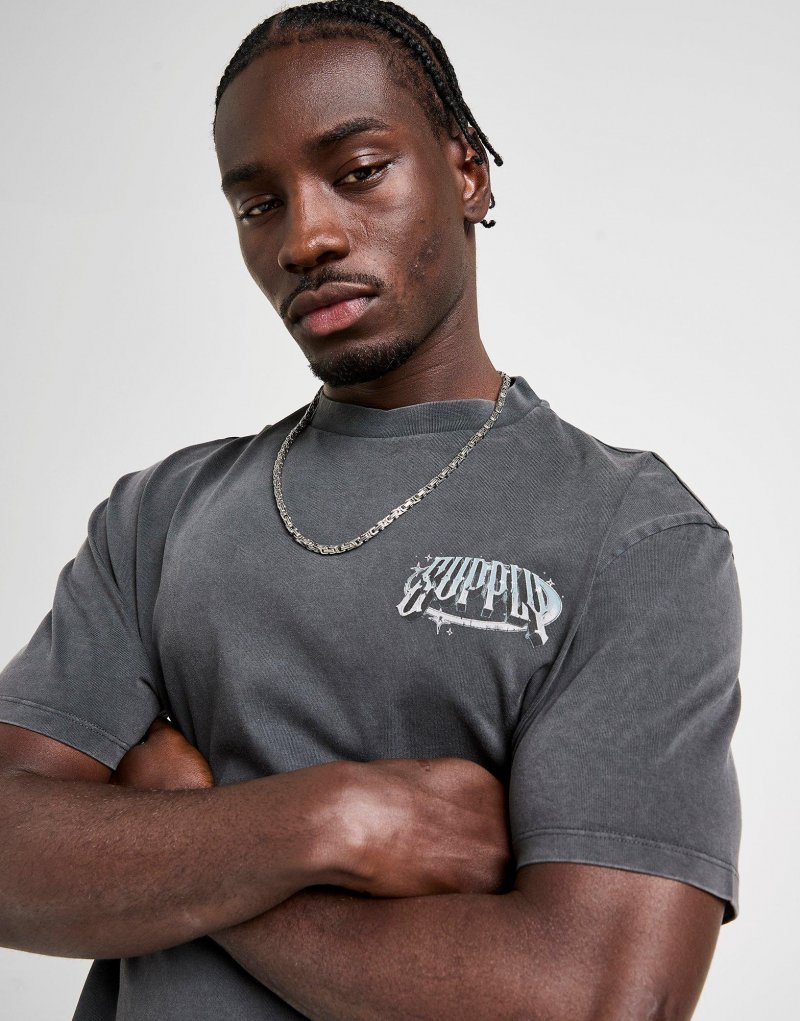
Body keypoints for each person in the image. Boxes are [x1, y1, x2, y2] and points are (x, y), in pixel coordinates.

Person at [0, 1, 742, 1018]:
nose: (304, 237)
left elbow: (599, 993)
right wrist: (327, 819)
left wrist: (176, 827)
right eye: (258, 204)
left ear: (467, 170)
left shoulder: (633, 536)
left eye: (357, 172)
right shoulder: (156, 517)